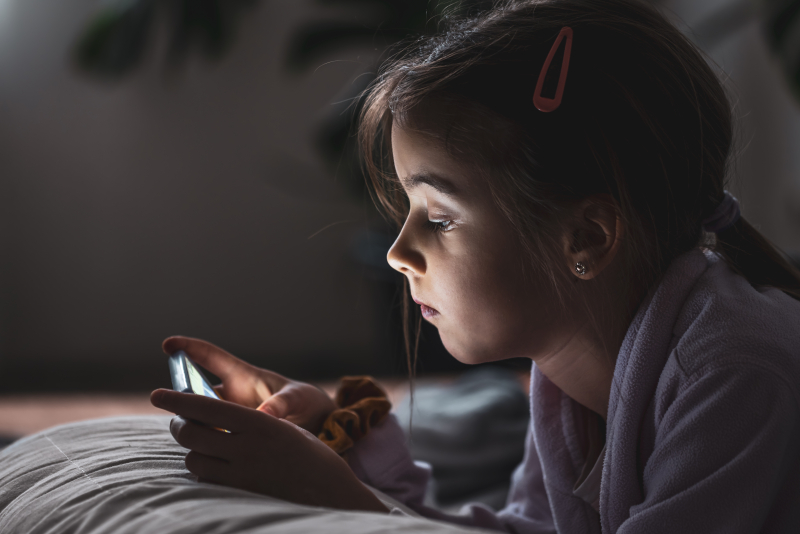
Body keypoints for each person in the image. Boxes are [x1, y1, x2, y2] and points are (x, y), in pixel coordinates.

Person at [150, 0, 800, 531]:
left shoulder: (733, 372)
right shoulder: (567, 370)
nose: (397, 253)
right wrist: (335, 440)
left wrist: (341, 504)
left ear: (588, 239)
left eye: (440, 217)